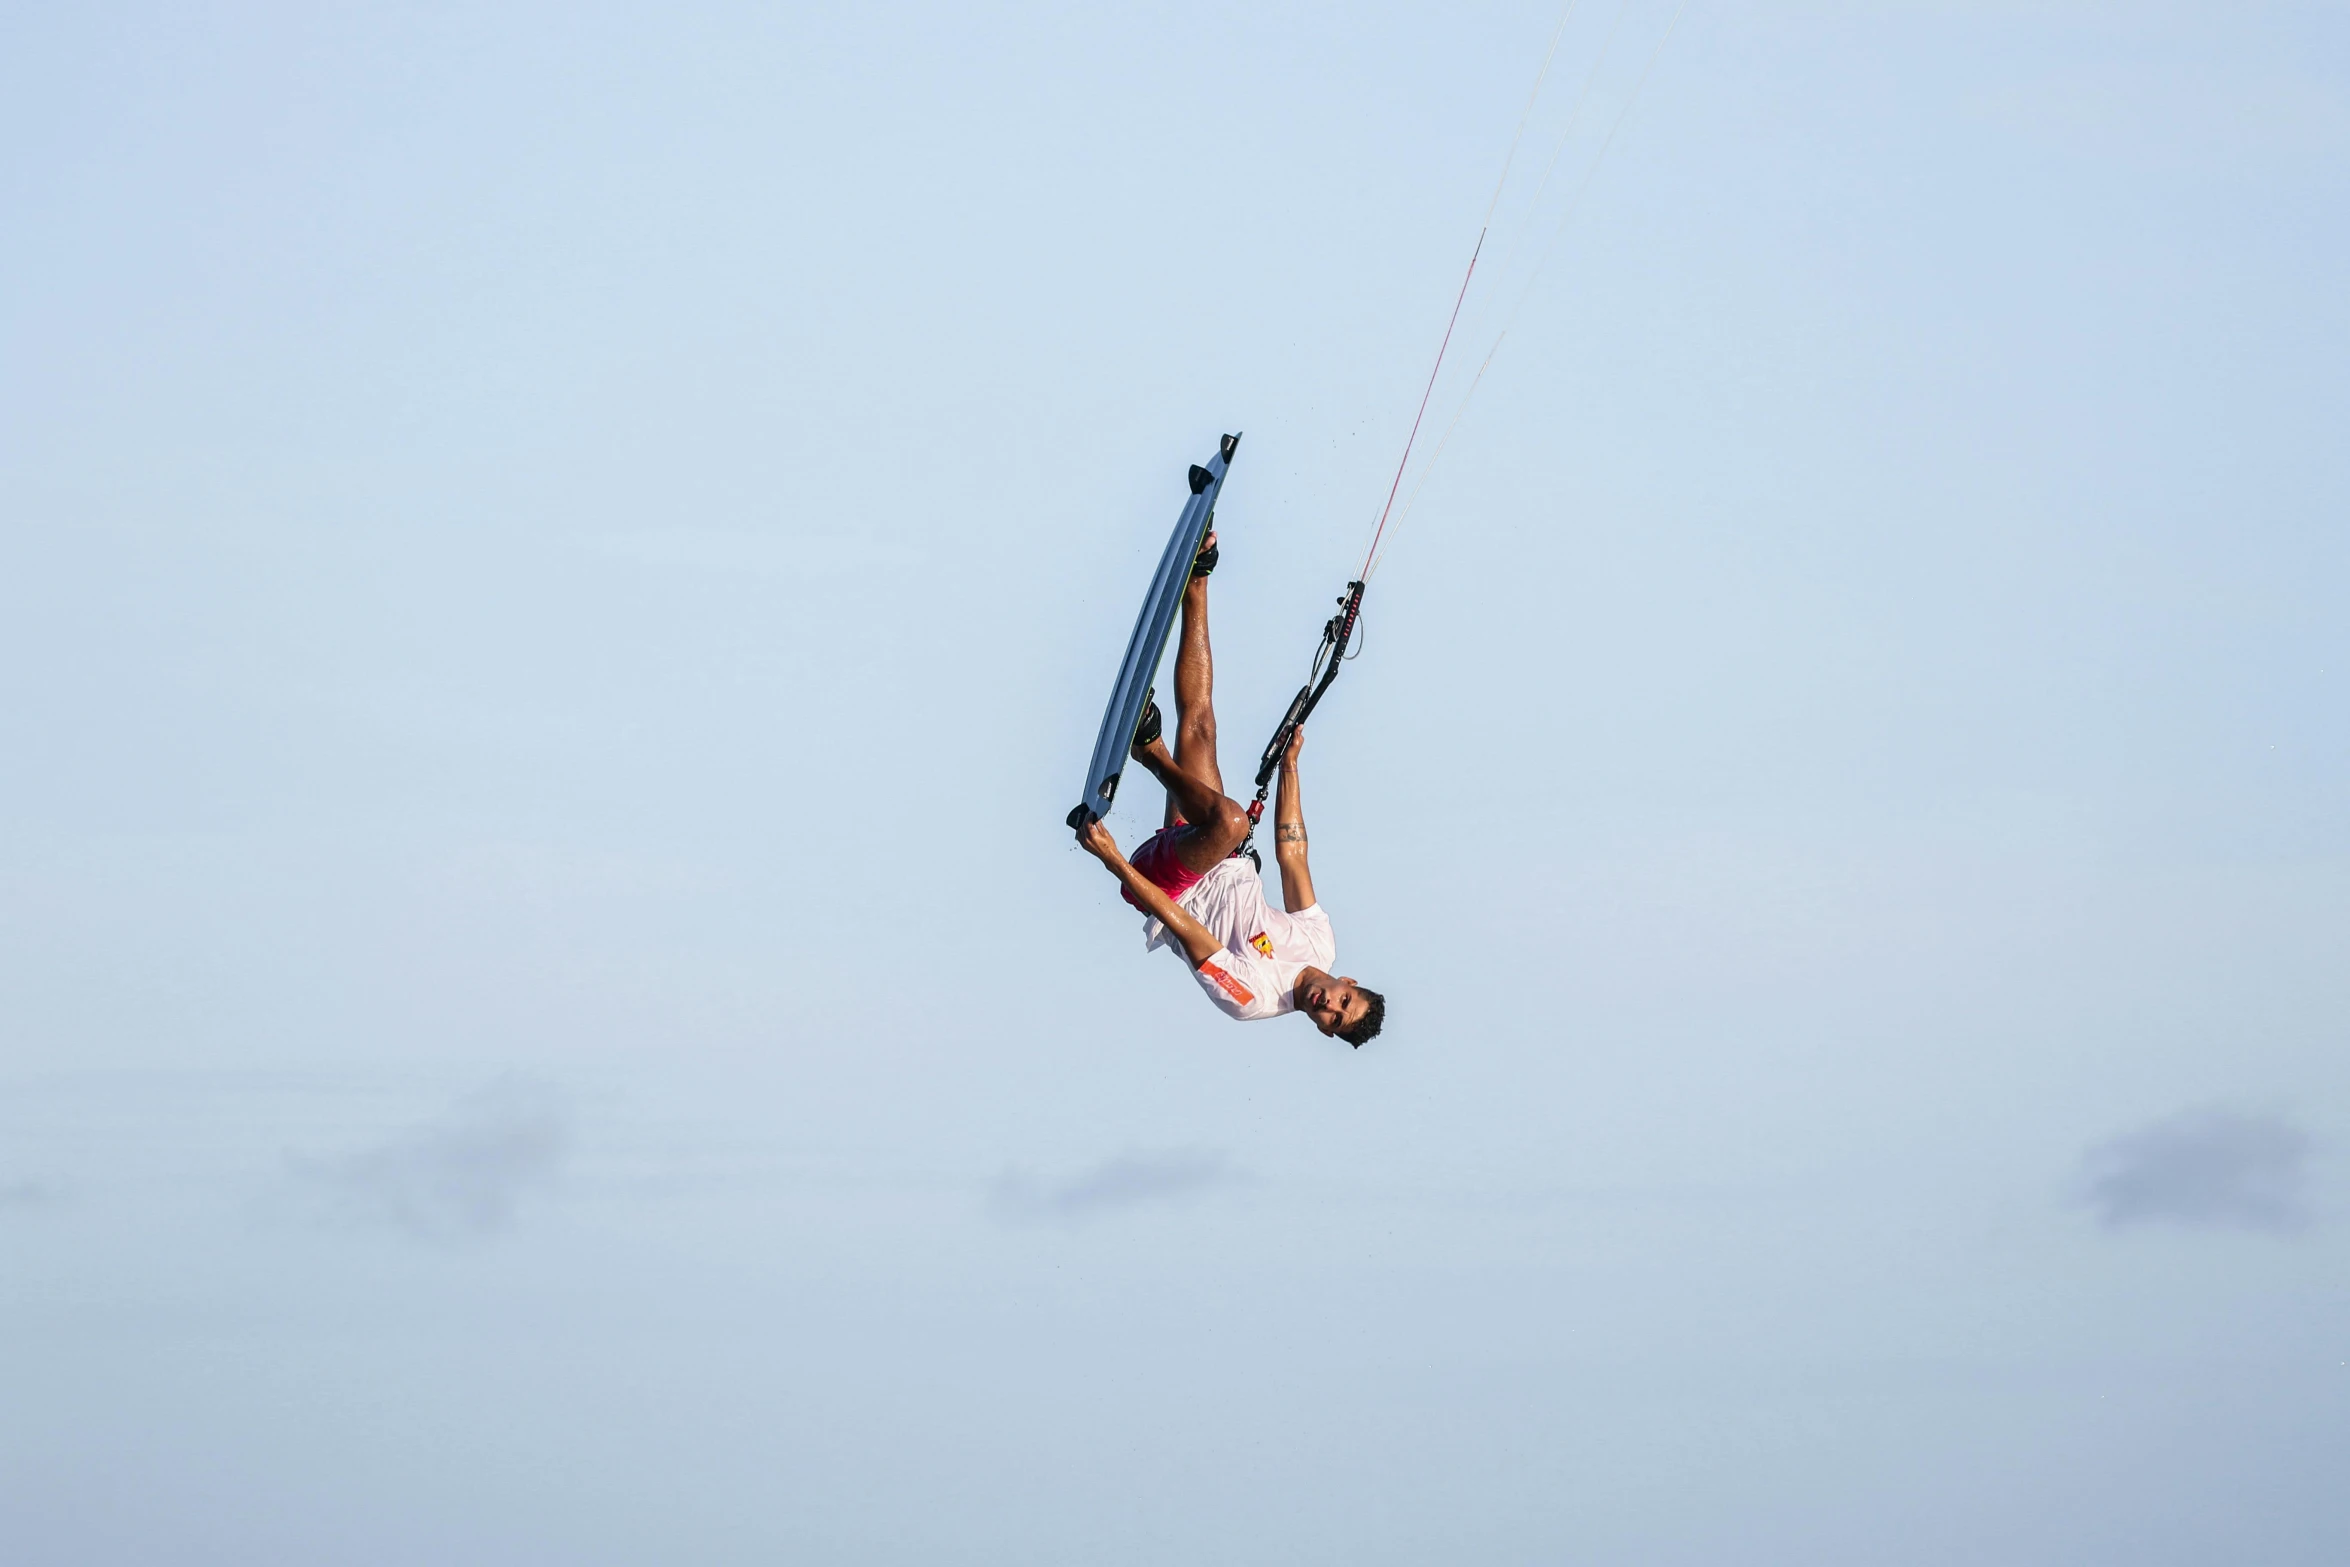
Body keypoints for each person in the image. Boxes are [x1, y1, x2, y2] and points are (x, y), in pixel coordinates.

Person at [1074, 532, 1386, 1046]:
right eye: (1343, 1001)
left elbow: (1183, 928)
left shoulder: (1253, 1000)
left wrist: (1111, 860)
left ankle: (1149, 751)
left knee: (1233, 821)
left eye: (1333, 1019)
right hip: (1214, 850)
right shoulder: (1320, 945)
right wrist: (1290, 768)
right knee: (1201, 726)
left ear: (1324, 1030)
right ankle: (1198, 577)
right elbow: (1292, 856)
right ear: (1347, 982)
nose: (1328, 1006)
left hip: (1168, 885)